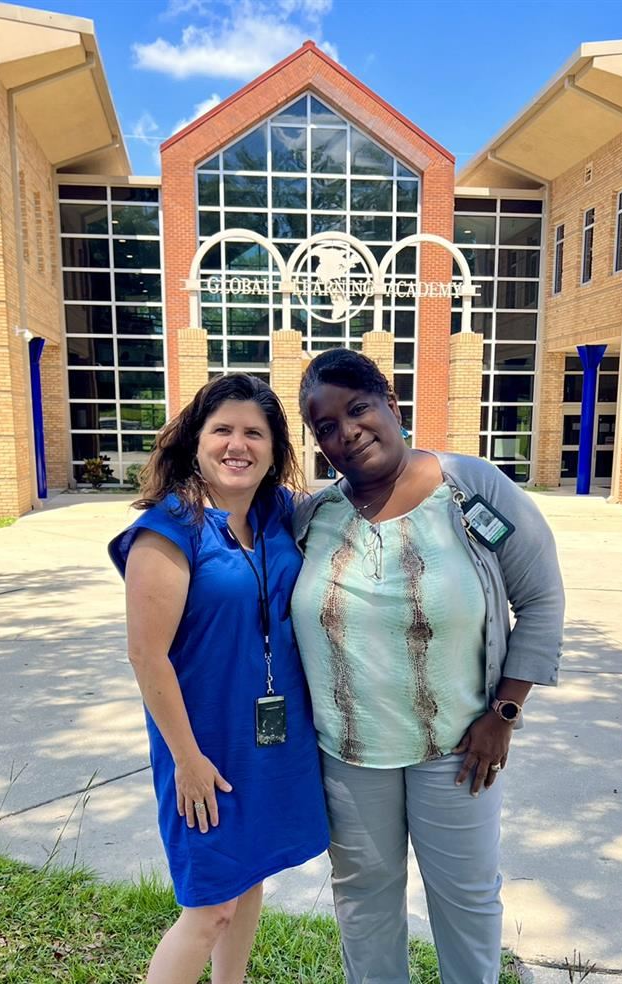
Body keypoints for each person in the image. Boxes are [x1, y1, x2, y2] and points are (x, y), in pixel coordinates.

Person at [290, 348, 565, 984]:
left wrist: (505, 712)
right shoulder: (313, 519)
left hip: (459, 750)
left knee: (465, 901)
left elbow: (541, 600)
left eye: (357, 408)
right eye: (325, 426)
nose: (346, 431)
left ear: (390, 402)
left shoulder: (472, 489)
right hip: (348, 754)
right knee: (363, 905)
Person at [109, 373, 329, 984]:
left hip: (269, 738)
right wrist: (187, 759)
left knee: (248, 876)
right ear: (196, 442)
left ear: (275, 449)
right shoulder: (168, 528)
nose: (239, 445)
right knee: (209, 908)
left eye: (254, 432)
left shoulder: (278, 513)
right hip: (203, 746)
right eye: (223, 430)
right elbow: (146, 657)